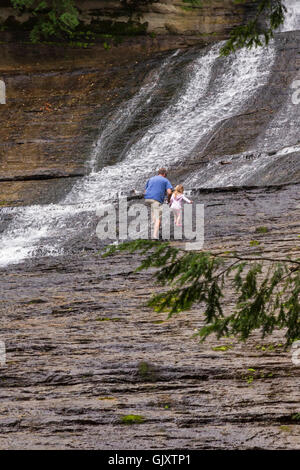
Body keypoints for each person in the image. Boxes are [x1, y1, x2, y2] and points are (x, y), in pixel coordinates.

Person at [144, 168, 173, 239]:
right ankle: (155, 236)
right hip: (156, 200)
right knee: (157, 218)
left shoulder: (151, 179)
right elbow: (169, 192)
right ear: (164, 174)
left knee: (154, 214)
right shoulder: (165, 180)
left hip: (147, 198)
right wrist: (169, 200)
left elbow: (145, 191)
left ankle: (154, 229)